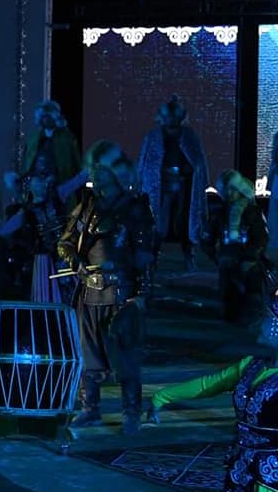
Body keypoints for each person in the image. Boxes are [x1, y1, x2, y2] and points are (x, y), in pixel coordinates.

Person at [57, 142, 156, 434]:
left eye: (102, 170)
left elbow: (146, 256)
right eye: (94, 170)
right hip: (89, 291)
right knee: (88, 356)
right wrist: (75, 261)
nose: (97, 176)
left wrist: (141, 295)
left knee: (125, 358)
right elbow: (64, 243)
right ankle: (90, 410)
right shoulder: (86, 207)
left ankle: (131, 414)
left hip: (122, 292)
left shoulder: (135, 208)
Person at [145, 291, 278, 492]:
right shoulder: (252, 365)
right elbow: (208, 384)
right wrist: (162, 397)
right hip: (242, 467)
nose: (257, 325)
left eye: (265, 319)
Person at [0, 170, 86, 303]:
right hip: (46, 259)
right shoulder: (26, 212)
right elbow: (4, 230)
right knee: (50, 297)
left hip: (68, 251)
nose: (43, 185)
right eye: (38, 183)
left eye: (43, 182)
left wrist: (93, 167)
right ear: (30, 187)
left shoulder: (57, 195)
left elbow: (78, 180)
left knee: (77, 290)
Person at [137, 94, 210, 272]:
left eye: (174, 117)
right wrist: (142, 183)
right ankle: (153, 256)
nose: (171, 120)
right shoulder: (153, 136)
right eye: (168, 116)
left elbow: (198, 162)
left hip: (184, 186)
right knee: (157, 221)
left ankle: (188, 254)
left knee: (184, 220)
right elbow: (145, 162)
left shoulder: (189, 135)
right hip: (159, 187)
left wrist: (189, 172)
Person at [203, 169, 269, 327]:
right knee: (229, 306)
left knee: (253, 284)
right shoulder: (220, 213)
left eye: (233, 189)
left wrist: (250, 257)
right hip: (228, 257)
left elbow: (261, 238)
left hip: (250, 258)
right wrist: (216, 256)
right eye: (227, 190)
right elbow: (208, 238)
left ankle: (254, 311)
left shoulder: (252, 211)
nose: (229, 193)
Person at [20, 100, 82, 200]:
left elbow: (75, 162)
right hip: (37, 187)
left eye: (48, 116)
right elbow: (27, 162)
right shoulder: (34, 139)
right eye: (43, 116)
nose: (45, 119)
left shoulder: (67, 138)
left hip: (60, 187)